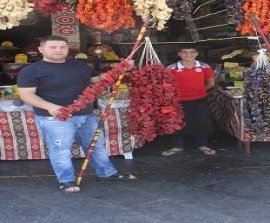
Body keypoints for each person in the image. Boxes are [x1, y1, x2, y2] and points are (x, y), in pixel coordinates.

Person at [17, 36, 136, 193]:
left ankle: (107, 172)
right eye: (53, 47)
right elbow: (27, 95)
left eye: (62, 47)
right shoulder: (31, 70)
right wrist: (51, 107)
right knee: (61, 149)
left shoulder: (79, 66)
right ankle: (66, 180)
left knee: (96, 145)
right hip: (55, 118)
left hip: (86, 115)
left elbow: (99, 80)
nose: (58, 50)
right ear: (41, 49)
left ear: (67, 49)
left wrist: (121, 68)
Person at [162, 45, 217, 156]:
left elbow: (211, 83)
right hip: (178, 101)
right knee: (177, 122)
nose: (188, 55)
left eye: (192, 52)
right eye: (185, 52)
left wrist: (200, 90)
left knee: (202, 122)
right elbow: (166, 84)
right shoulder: (171, 68)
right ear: (179, 54)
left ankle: (202, 145)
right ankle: (177, 146)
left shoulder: (204, 67)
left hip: (200, 99)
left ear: (196, 53)